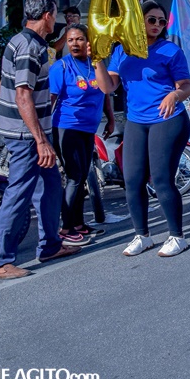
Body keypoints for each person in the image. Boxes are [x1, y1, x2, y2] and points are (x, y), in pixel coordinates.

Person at [0, 0, 81, 280]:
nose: (56, 21)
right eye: (55, 15)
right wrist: (40, 140)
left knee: (50, 186)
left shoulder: (23, 41)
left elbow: (4, 86)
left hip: (26, 130)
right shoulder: (29, 47)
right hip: (25, 135)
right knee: (19, 193)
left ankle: (50, 245)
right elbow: (23, 95)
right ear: (48, 16)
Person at [94, 1, 190, 258]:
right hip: (137, 121)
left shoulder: (170, 50)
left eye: (162, 21)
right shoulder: (122, 51)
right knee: (132, 180)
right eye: (152, 20)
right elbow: (108, 87)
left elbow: (186, 86)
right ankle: (142, 235)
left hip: (167, 119)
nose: (157, 25)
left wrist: (174, 95)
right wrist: (97, 60)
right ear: (139, 21)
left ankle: (177, 236)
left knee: (160, 179)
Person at [49, 24, 115, 242]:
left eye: (79, 39)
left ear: (89, 41)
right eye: (70, 40)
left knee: (82, 176)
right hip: (66, 128)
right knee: (74, 177)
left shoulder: (95, 64)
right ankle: (66, 228)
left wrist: (111, 119)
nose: (74, 44)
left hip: (88, 129)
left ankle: (78, 223)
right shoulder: (61, 67)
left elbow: (105, 93)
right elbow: (50, 100)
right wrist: (42, 134)